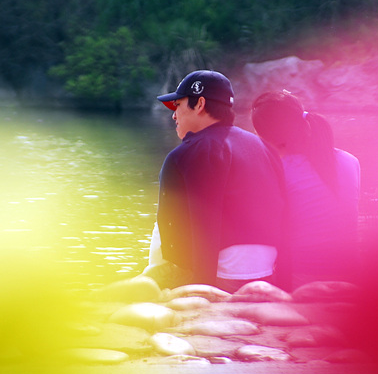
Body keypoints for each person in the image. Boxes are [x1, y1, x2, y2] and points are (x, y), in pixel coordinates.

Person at [141, 70, 289, 293]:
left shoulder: (190, 152)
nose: (173, 115)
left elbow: (201, 223)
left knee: (145, 283)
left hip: (222, 274)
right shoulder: (264, 148)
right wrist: (285, 283)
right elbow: (285, 215)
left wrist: (203, 290)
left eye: (177, 105)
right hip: (267, 272)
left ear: (199, 104)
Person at [251, 90, 361, 288]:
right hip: (350, 272)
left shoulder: (278, 170)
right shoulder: (350, 161)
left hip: (303, 274)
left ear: (264, 138)